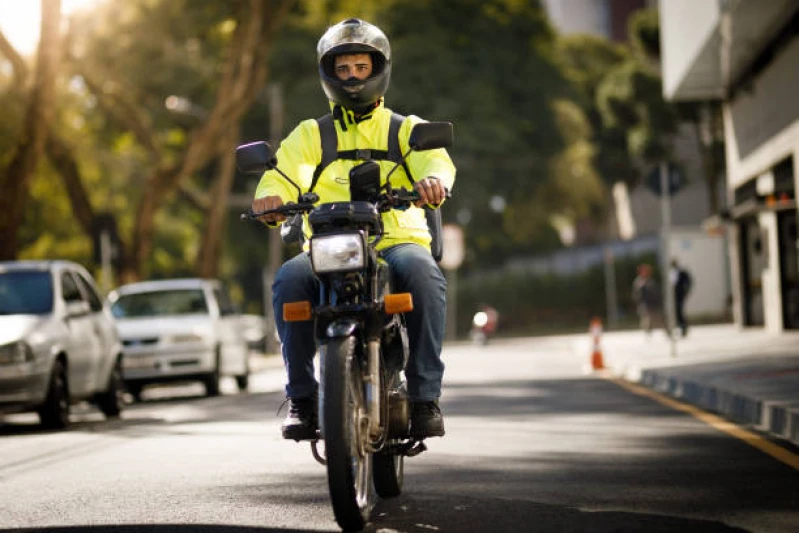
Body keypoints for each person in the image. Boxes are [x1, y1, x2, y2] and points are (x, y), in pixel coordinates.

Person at [251, 18, 456, 441]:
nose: (352, 77)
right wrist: (269, 197)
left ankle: (424, 398)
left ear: (378, 68)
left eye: (361, 67)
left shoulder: (405, 130)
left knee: (423, 274)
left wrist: (433, 182)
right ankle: (303, 399)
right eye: (343, 69)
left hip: (396, 241)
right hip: (330, 245)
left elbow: (436, 161)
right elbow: (283, 176)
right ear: (328, 73)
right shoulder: (310, 134)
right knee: (289, 277)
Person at [632, 263, 663, 336]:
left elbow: (655, 292)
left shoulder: (650, 281)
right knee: (646, 317)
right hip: (643, 303)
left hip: (652, 303)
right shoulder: (638, 281)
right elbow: (636, 293)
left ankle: (658, 330)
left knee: (656, 317)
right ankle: (647, 330)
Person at [670, 258, 693, 337]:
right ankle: (679, 327)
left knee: (680, 311)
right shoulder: (671, 272)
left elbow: (689, 281)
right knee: (676, 312)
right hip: (673, 296)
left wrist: (686, 291)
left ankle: (683, 328)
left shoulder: (682, 272)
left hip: (680, 295)